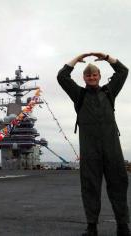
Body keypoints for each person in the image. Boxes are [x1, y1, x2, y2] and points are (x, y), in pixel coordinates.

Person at [57, 52, 130, 236]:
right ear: (84, 78)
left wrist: (105, 57)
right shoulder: (78, 94)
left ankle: (122, 226)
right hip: (90, 151)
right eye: (88, 75)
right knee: (90, 187)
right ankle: (92, 228)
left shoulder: (109, 91)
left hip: (112, 148)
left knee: (119, 185)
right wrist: (76, 58)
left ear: (99, 76)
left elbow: (123, 71)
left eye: (94, 75)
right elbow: (62, 76)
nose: (91, 77)